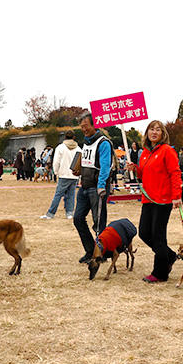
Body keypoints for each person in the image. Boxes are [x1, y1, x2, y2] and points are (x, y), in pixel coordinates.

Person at [127, 120, 181, 283]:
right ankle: (169, 256)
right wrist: (135, 169)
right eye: (152, 129)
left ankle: (160, 273)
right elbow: (143, 174)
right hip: (148, 199)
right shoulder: (144, 153)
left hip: (163, 200)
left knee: (158, 237)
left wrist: (177, 195)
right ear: (147, 133)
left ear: (163, 134)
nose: (154, 132)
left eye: (158, 129)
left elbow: (175, 173)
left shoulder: (167, 151)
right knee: (143, 233)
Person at [74, 113, 114, 264]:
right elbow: (88, 162)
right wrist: (79, 171)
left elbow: (105, 166)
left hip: (97, 188)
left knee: (99, 224)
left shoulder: (103, 142)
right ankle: (91, 250)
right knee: (78, 219)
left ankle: (101, 254)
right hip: (84, 186)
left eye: (86, 126)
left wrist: (102, 186)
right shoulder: (85, 142)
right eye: (82, 127)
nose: (83, 129)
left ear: (94, 125)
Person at [41, 130, 81, 219]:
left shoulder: (61, 147)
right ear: (74, 137)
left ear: (65, 137)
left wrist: (56, 172)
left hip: (63, 174)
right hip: (74, 175)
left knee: (58, 195)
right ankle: (70, 213)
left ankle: (50, 214)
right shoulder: (78, 148)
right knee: (71, 195)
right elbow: (80, 162)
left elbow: (56, 161)